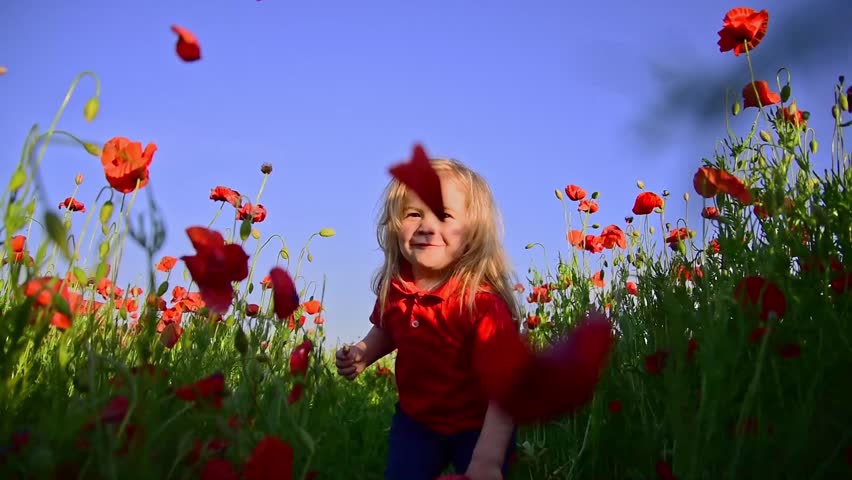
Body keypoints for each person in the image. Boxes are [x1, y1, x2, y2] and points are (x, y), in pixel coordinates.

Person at [335, 157, 523, 480]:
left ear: (473, 233)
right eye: (413, 214)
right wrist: (363, 353)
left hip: (479, 424)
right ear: (395, 225)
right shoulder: (396, 287)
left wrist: (489, 457)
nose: (427, 226)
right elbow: (386, 328)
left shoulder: (479, 303)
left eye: (444, 215)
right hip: (417, 420)